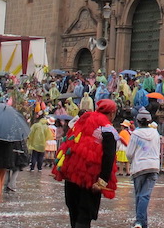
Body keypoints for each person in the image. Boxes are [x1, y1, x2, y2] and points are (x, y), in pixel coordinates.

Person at [53, 97, 119, 228]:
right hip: (90, 177)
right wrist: (103, 181)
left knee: (74, 212)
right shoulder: (107, 128)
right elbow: (109, 156)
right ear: (112, 113)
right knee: (84, 215)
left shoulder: (83, 120)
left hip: (71, 173)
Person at [126, 108, 160, 228]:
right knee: (145, 195)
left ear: (138, 121)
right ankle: (143, 223)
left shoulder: (135, 134)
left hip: (139, 167)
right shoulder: (156, 133)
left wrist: (132, 160)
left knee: (139, 195)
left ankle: (139, 221)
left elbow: (129, 153)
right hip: (154, 167)